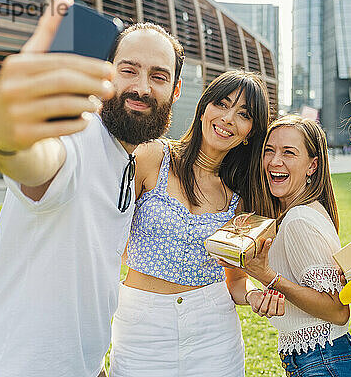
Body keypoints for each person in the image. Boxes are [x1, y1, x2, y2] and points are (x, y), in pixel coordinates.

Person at [0, 0, 186, 376]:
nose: (142, 88)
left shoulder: (128, 162)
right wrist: (7, 131)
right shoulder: (77, 137)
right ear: (105, 73)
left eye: (158, 76)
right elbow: (36, 162)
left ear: (176, 91)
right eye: (128, 70)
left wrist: (93, 362)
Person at [109, 70, 284, 377]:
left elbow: (235, 282)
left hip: (213, 330)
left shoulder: (239, 199)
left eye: (243, 114)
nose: (229, 118)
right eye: (222, 104)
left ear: (250, 133)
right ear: (204, 109)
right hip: (141, 326)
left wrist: (255, 295)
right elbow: (106, 236)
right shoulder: (153, 156)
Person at [223, 115, 351, 376]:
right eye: (269, 151)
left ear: (312, 166)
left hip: (326, 361)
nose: (274, 161)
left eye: (289, 153)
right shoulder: (293, 214)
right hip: (317, 360)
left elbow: (338, 310)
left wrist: (269, 278)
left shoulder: (299, 219)